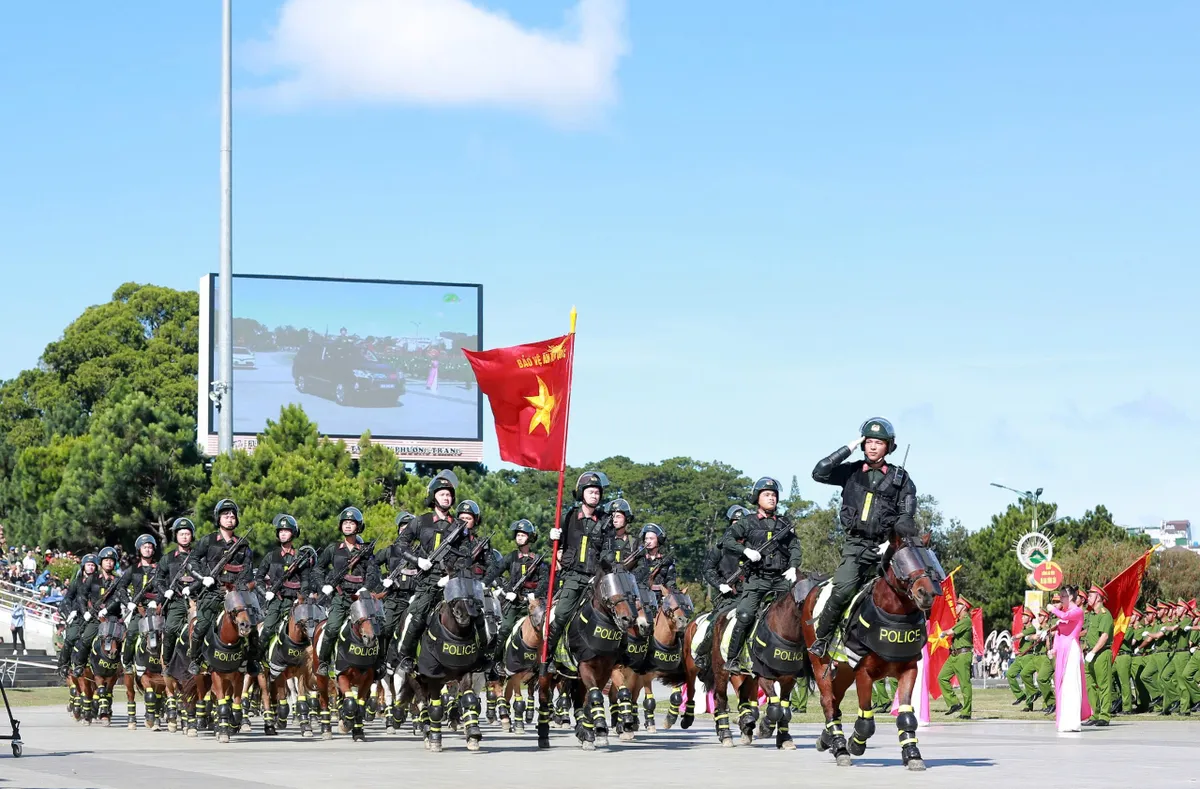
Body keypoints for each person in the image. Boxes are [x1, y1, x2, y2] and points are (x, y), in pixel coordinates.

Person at [809, 418, 918, 657]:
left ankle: (912, 642)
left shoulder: (901, 479)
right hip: (855, 547)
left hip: (885, 548)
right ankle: (823, 639)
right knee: (841, 591)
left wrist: (890, 543)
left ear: (888, 447)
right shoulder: (851, 472)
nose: (872, 446)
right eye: (868, 441)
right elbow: (819, 472)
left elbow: (906, 517)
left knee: (914, 585)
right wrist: (848, 448)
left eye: (878, 442)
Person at [718, 476, 803, 673]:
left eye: (774, 495)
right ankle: (733, 658)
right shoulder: (746, 523)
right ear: (758, 498)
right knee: (746, 614)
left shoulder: (784, 523)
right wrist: (745, 551)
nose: (771, 498)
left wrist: (793, 566)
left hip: (781, 579)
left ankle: (804, 659)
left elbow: (795, 546)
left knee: (799, 612)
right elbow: (727, 540)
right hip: (757, 580)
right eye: (767, 495)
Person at [396, 472, 470, 675]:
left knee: (472, 614)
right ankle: (406, 657)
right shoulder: (421, 521)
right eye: (442, 494)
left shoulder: (459, 526)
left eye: (449, 495)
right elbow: (400, 545)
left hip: (451, 582)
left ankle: (480, 658)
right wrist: (417, 560)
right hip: (427, 580)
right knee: (416, 615)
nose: (446, 498)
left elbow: (466, 555)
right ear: (433, 497)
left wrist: (452, 576)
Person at [541, 471, 612, 676]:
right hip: (572, 577)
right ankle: (549, 657)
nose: (595, 495)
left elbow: (606, 550)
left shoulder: (605, 521)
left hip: (594, 580)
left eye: (597, 492)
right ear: (582, 493)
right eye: (591, 492)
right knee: (562, 614)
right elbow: (556, 547)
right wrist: (552, 537)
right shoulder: (569, 516)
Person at [188, 499, 257, 676]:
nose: (230, 518)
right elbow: (191, 562)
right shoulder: (208, 541)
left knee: (252, 625)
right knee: (202, 625)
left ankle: (251, 660)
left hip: (235, 595)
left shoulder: (243, 545)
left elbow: (247, 571)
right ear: (218, 519)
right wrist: (202, 578)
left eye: (233, 516)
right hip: (213, 592)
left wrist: (237, 588)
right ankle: (195, 659)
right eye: (226, 515)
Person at [314, 506, 379, 676]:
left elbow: (373, 571)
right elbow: (318, 568)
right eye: (345, 523)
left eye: (351, 523)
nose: (348, 526)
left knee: (379, 628)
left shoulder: (366, 549)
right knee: (332, 628)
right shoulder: (333, 549)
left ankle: (378, 664)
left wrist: (367, 587)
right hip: (340, 597)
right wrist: (323, 585)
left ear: (358, 526)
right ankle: (323, 662)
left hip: (360, 599)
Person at [484, 519, 549, 665]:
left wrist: (536, 594)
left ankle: (547, 661)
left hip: (533, 601)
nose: (519, 537)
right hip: (514, 601)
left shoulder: (538, 559)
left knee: (544, 627)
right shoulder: (511, 557)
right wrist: (504, 590)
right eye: (518, 535)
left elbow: (545, 579)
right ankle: (496, 662)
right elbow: (495, 571)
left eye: (523, 535)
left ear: (530, 538)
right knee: (505, 628)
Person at [257, 514, 315, 664]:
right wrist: (266, 593)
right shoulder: (271, 556)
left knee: (309, 632)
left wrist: (301, 597)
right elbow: (258, 578)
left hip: (295, 602)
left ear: (293, 533)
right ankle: (255, 661)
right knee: (267, 629)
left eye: (286, 530)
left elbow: (306, 580)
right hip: (277, 600)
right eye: (280, 531)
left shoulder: (301, 557)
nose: (283, 533)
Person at [373, 511, 421, 675]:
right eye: (403, 527)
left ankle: (411, 661)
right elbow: (371, 564)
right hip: (394, 597)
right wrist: (381, 580)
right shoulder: (390, 551)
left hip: (414, 598)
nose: (406, 530)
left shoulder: (422, 551)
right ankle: (381, 661)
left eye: (409, 528)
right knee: (385, 629)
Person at [70, 546, 123, 675]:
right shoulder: (91, 579)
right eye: (106, 560)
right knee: (86, 639)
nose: (109, 563)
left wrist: (107, 609)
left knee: (121, 640)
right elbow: (82, 596)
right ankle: (80, 665)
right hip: (95, 618)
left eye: (111, 560)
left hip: (112, 618)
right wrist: (85, 612)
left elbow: (119, 597)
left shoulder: (117, 580)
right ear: (101, 562)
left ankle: (125, 665)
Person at [154, 518, 198, 667]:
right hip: (177, 601)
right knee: (170, 629)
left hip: (197, 600)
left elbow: (206, 576)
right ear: (176, 537)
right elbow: (158, 579)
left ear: (192, 536)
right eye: (181, 534)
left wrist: (192, 588)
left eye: (187, 533)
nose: (185, 536)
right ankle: (166, 663)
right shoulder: (168, 558)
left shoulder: (199, 557)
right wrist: (165, 591)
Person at [1047, 586, 1091, 732]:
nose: (1061, 599)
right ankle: (1065, 721)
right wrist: (1054, 649)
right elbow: (1059, 634)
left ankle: (1073, 722)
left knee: (1072, 684)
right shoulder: (1064, 614)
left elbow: (1065, 618)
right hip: (1062, 651)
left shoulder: (1077, 611)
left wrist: (1053, 609)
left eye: (1063, 596)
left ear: (1071, 597)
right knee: (1062, 684)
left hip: (1072, 649)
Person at [120, 534, 161, 672]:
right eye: (145, 547)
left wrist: (157, 600)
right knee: (131, 634)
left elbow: (167, 586)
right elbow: (121, 588)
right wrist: (128, 603)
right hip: (139, 609)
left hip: (157, 608)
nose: (148, 549)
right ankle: (127, 663)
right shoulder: (132, 569)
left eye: (150, 547)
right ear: (139, 549)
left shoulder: (160, 568)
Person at [57, 553, 96, 676]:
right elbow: (67, 598)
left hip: (93, 616)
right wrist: (70, 612)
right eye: (88, 565)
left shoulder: (99, 582)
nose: (90, 567)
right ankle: (63, 664)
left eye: (93, 565)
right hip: (78, 615)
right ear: (84, 566)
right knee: (71, 637)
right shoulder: (77, 581)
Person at [1082, 585, 1113, 726]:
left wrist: (1093, 652)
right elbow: (1088, 633)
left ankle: (1104, 716)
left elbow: (1105, 636)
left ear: (1099, 597)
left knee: (1103, 685)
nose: (1088, 598)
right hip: (1090, 653)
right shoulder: (1092, 615)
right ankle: (1094, 714)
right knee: (1091, 685)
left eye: (1090, 595)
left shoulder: (1104, 614)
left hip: (1101, 653)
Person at [937, 597, 974, 718]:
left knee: (964, 684)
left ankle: (966, 712)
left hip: (963, 655)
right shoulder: (960, 621)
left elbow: (951, 631)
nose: (956, 607)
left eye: (958, 605)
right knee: (942, 678)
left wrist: (942, 633)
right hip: (954, 655)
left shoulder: (966, 621)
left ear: (964, 607)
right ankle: (954, 703)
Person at [633, 524, 676, 605]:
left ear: (658, 540)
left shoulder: (666, 561)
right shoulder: (638, 559)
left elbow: (671, 582)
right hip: (640, 600)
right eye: (646, 539)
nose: (648, 541)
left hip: (660, 601)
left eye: (651, 538)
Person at [1007, 608, 1034, 706]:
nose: (1022, 618)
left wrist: (1014, 637)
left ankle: (1029, 705)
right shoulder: (1025, 629)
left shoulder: (1032, 629)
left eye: (1025, 616)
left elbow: (1019, 635)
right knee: (1009, 674)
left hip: (1028, 656)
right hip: (1020, 656)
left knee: (1027, 680)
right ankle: (1020, 695)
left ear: (1030, 618)